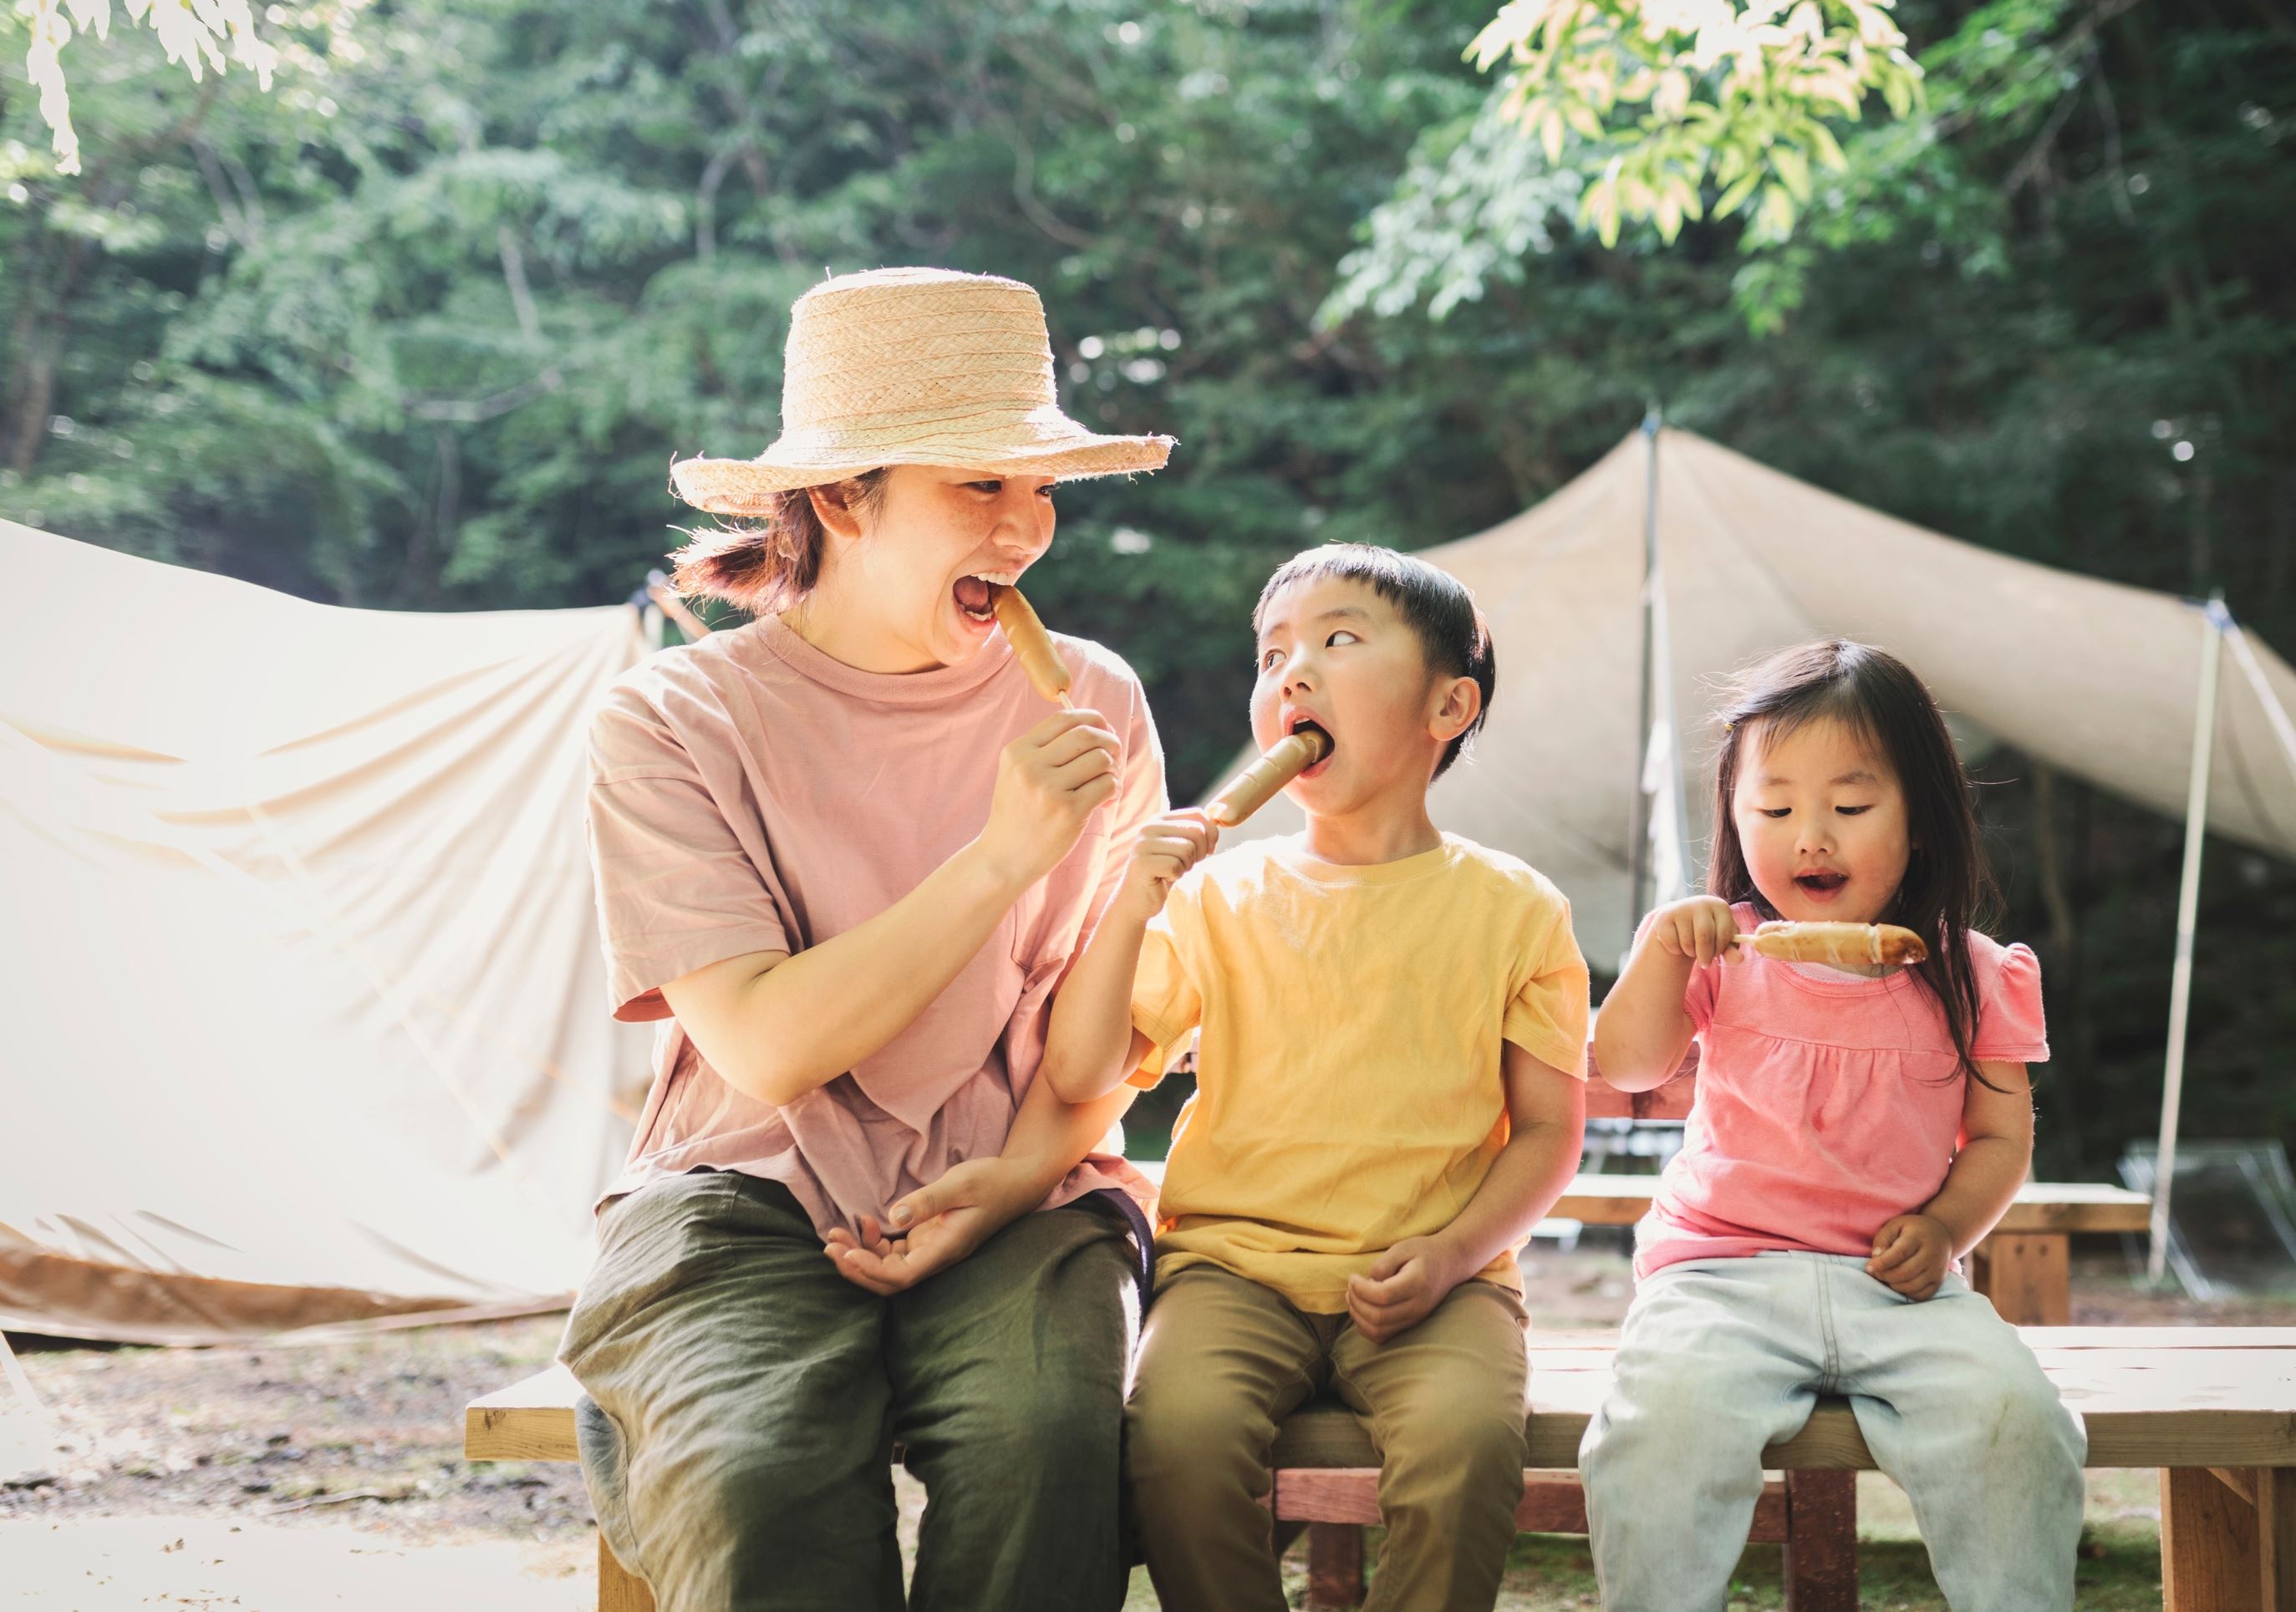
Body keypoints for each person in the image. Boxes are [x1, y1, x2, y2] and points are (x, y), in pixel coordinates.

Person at [558, 267, 1173, 1612]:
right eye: (981, 488)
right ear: (842, 499)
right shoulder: (674, 720)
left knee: (1050, 1445)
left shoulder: (1097, 703)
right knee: (757, 1475)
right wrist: (1004, 851)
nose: (1025, 530)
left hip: (1021, 1183)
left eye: (1040, 489)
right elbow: (769, 1047)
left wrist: (1014, 1181)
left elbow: (1112, 1034)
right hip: (741, 1188)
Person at [1044, 542, 1589, 1612]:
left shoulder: (1516, 909)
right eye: (1272, 653)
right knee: (1179, 1438)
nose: (1291, 673)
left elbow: (1544, 1133)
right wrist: (1127, 906)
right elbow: (1078, 1069)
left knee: (1468, 1444)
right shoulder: (1216, 897)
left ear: (1449, 706)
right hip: (1230, 1270)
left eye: (1338, 641)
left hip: (1439, 1278)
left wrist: (1449, 1256)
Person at [1578, 638, 2087, 1612]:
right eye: (1773, 809)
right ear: (1734, 817)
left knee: (2017, 1424)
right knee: (1656, 1432)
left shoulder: (1976, 974)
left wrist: (1943, 1230)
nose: (1809, 837)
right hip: (1717, 1281)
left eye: (1849, 808)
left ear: (1923, 822)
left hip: (1899, 1291)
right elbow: (1630, 1064)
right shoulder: (1723, 952)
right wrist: (1653, 950)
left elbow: (1996, 1140)